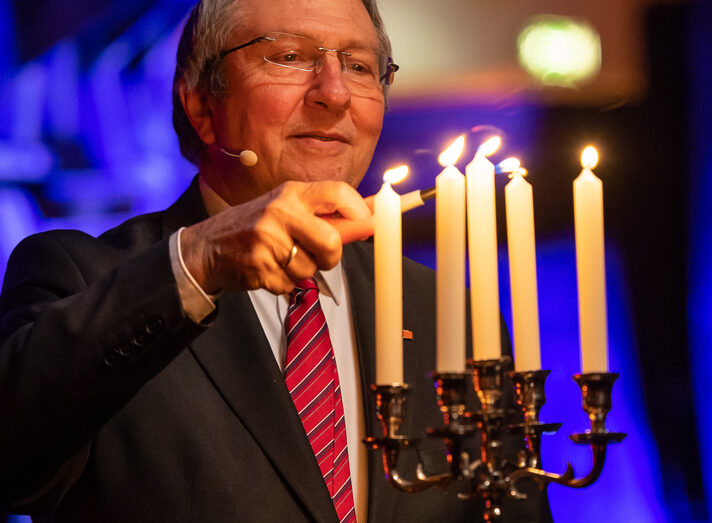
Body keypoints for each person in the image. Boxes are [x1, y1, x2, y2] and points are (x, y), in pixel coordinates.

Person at [0, 0, 550, 521]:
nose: (334, 94)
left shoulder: (446, 314)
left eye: (359, 67)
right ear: (200, 104)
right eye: (288, 56)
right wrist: (200, 261)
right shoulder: (80, 276)